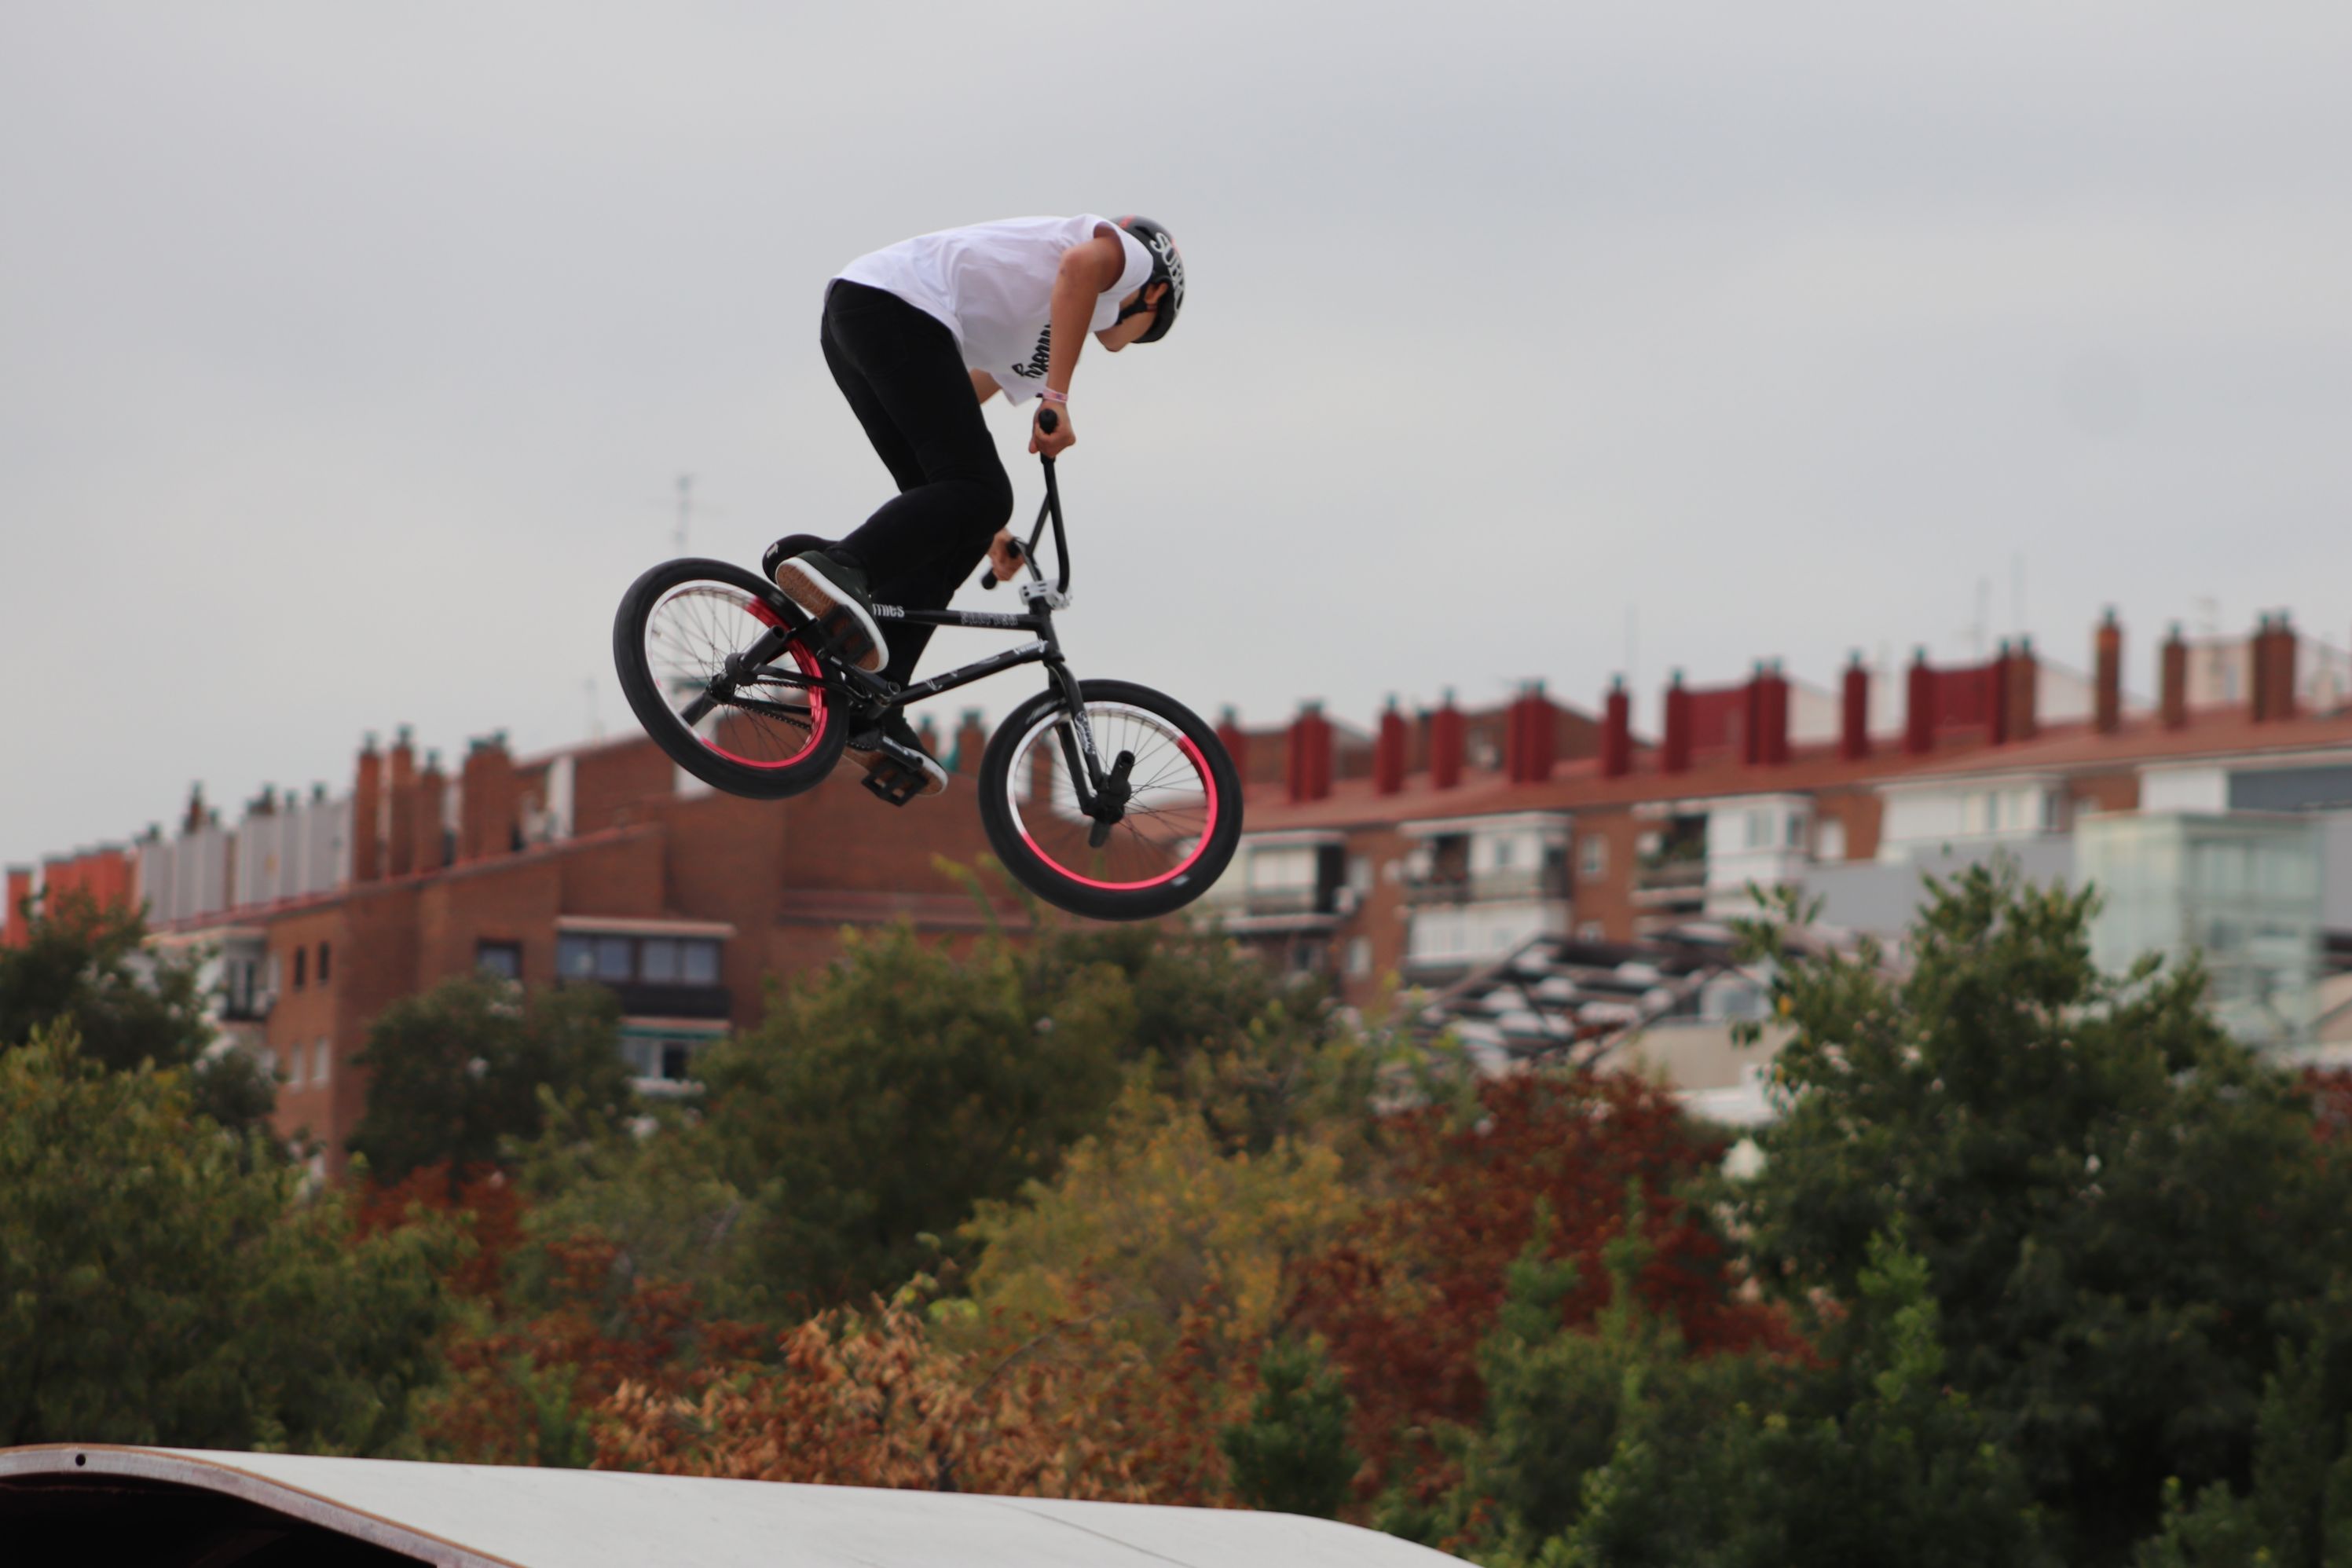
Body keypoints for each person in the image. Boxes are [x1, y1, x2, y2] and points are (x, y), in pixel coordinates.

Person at [763, 214, 1184, 797]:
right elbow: (1079, 271)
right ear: (1155, 292)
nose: (1120, 339)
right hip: (892, 307)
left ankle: (872, 700)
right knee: (982, 491)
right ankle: (839, 565)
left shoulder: (1037, 335)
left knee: (959, 513)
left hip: (864, 321)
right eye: (1144, 327)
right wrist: (1058, 399)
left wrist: (991, 529)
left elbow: (956, 403)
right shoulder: (1127, 258)